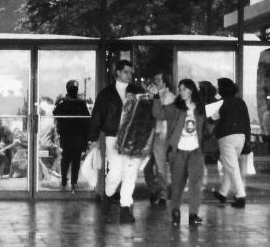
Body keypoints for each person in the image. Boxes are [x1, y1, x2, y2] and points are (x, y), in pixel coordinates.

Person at [87, 59, 146, 224]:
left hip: (133, 137)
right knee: (116, 172)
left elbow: (146, 110)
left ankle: (125, 207)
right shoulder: (106, 94)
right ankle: (108, 194)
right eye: (126, 72)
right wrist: (93, 138)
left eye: (131, 72)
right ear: (118, 72)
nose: (129, 75)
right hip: (113, 136)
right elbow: (97, 115)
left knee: (130, 172)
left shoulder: (137, 91)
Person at [153, 78, 206, 226]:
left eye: (184, 89)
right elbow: (158, 114)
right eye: (180, 89)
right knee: (177, 184)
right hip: (179, 151)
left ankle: (193, 214)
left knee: (196, 184)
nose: (181, 92)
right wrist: (157, 97)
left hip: (196, 151)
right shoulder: (175, 107)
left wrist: (214, 119)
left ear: (191, 90)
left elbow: (207, 130)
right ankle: (175, 211)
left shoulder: (200, 109)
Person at [211, 77, 251, 208]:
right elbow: (246, 121)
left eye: (218, 87)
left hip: (226, 136)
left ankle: (240, 197)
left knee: (232, 167)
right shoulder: (241, 102)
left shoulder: (221, 103)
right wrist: (248, 139)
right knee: (231, 165)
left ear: (222, 89)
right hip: (241, 136)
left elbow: (211, 118)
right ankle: (222, 193)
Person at [143, 72, 175, 206]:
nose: (155, 81)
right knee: (146, 166)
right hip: (153, 133)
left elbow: (160, 114)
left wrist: (154, 97)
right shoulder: (157, 94)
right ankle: (155, 190)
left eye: (158, 79)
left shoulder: (169, 96)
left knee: (160, 166)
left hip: (161, 133)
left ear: (165, 82)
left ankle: (162, 194)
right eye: (154, 79)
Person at [53, 80, 90, 192]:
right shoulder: (64, 103)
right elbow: (56, 113)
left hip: (77, 135)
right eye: (72, 89)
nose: (74, 90)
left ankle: (73, 181)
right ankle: (65, 179)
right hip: (67, 135)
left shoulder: (80, 103)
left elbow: (87, 119)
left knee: (74, 160)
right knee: (68, 159)